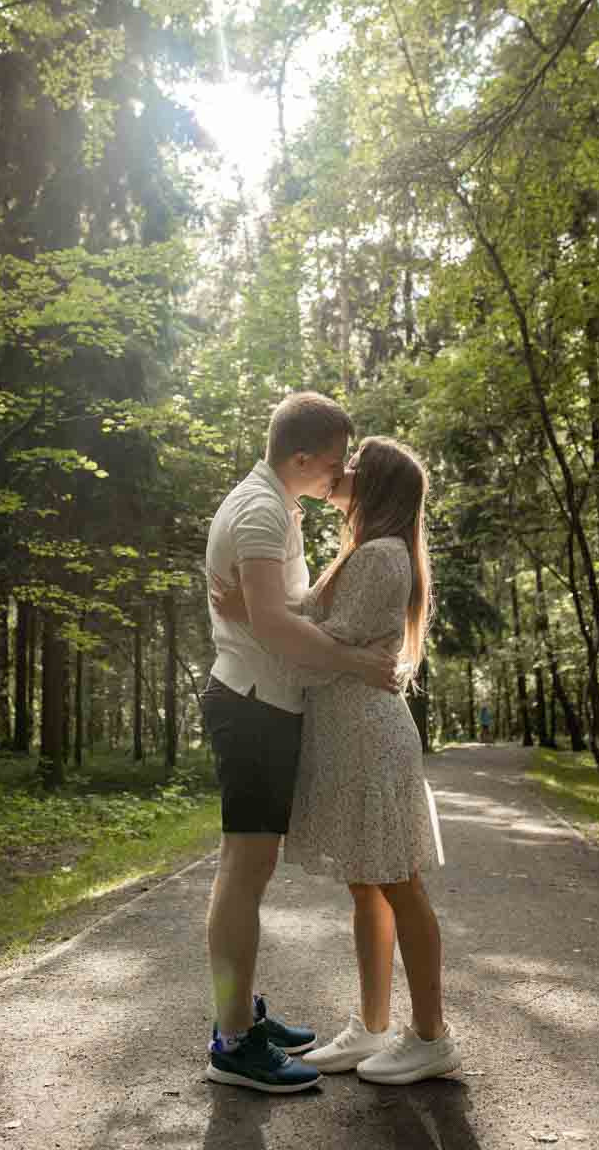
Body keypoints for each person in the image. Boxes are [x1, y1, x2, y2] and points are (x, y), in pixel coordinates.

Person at [214, 436, 460, 1085]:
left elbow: (315, 651)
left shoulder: (380, 555)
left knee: (399, 882)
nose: (341, 470)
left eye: (355, 464)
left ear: (375, 484)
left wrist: (256, 616)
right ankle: (372, 1026)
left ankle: (431, 1036)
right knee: (367, 882)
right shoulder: (366, 550)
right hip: (351, 735)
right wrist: (264, 610)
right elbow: (317, 626)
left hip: (370, 739)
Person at [201, 394, 400, 1095]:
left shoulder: (277, 506)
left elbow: (278, 610)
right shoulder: (260, 511)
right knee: (243, 871)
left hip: (263, 702)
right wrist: (357, 663)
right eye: (337, 461)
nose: (341, 474)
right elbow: (275, 628)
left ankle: (238, 1016)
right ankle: (233, 1042)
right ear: (304, 456)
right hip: (252, 706)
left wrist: (273, 614)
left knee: (247, 870)